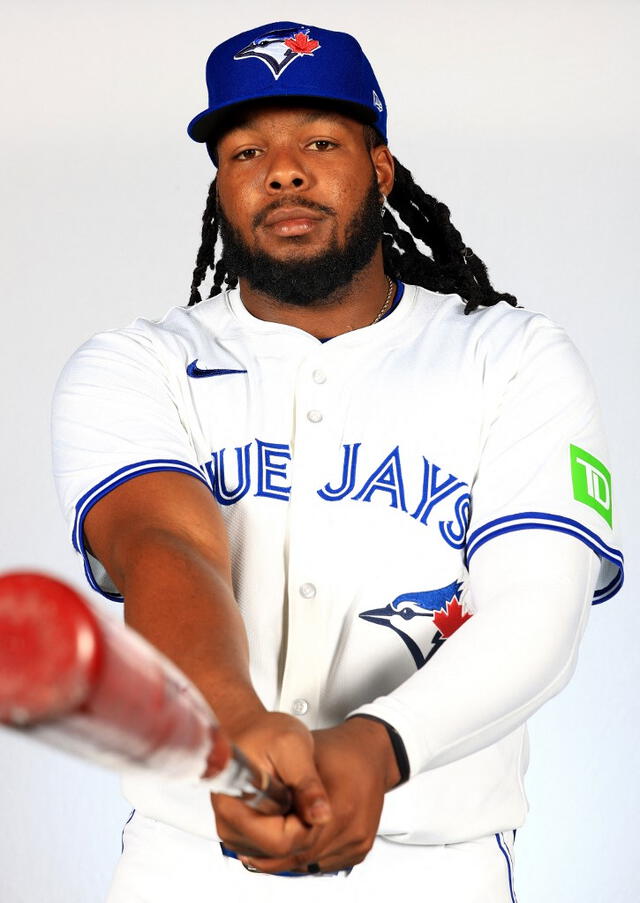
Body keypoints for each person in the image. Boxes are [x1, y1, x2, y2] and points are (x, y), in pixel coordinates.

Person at [51, 21, 623, 903]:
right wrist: (234, 726)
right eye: (247, 151)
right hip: (186, 862)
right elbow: (164, 543)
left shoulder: (511, 355)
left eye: (320, 141)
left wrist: (380, 744)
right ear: (221, 184)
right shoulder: (138, 362)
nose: (284, 170)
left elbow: (540, 601)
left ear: (380, 168)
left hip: (435, 868)